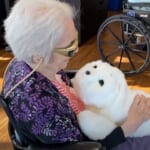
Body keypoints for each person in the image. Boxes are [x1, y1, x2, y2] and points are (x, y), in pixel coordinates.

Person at [1, 0, 150, 149]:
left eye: (75, 39)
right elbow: (91, 147)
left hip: (90, 115)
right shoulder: (44, 110)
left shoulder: (28, 61)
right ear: (38, 56)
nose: (77, 50)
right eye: (69, 48)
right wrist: (131, 123)